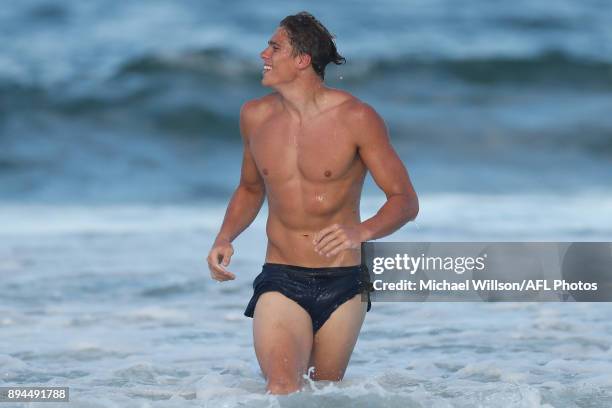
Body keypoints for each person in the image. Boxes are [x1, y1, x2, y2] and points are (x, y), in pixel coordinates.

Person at [207, 11, 418, 395]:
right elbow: (250, 189)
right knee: (283, 387)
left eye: (274, 47)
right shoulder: (254, 116)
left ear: (302, 60)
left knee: (324, 394)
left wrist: (362, 231)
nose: (262, 54)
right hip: (281, 278)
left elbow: (404, 200)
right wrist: (225, 236)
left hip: (345, 283)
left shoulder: (357, 117)